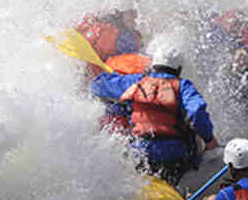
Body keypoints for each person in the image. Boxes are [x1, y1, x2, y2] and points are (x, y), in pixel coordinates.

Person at [91, 42, 218, 183]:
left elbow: (98, 86)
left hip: (140, 153)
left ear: (153, 65)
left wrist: (111, 76)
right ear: (179, 69)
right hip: (175, 157)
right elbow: (196, 112)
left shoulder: (137, 81)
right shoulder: (183, 86)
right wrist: (209, 139)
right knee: (194, 139)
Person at [75, 0, 145, 78]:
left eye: (134, 15)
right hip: (101, 77)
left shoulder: (96, 23)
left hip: (92, 73)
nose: (134, 19)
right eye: (131, 15)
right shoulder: (122, 37)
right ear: (119, 14)